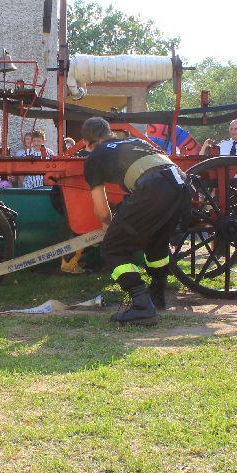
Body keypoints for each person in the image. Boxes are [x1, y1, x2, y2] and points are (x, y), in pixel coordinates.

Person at [82, 116, 191, 326]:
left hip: (154, 188)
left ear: (87, 143)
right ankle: (157, 296)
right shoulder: (136, 141)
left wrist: (109, 226)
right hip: (181, 185)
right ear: (109, 133)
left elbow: (103, 211)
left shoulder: (95, 157)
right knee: (157, 243)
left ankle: (142, 305)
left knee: (112, 249)